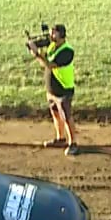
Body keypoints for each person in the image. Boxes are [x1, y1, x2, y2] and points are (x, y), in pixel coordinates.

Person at [29, 25, 78, 156]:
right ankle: (60, 138)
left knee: (66, 117)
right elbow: (44, 54)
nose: (50, 37)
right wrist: (34, 46)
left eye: (53, 34)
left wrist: (37, 54)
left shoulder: (67, 51)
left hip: (63, 90)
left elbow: (50, 65)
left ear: (61, 35)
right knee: (56, 115)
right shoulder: (52, 46)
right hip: (51, 90)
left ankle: (73, 143)